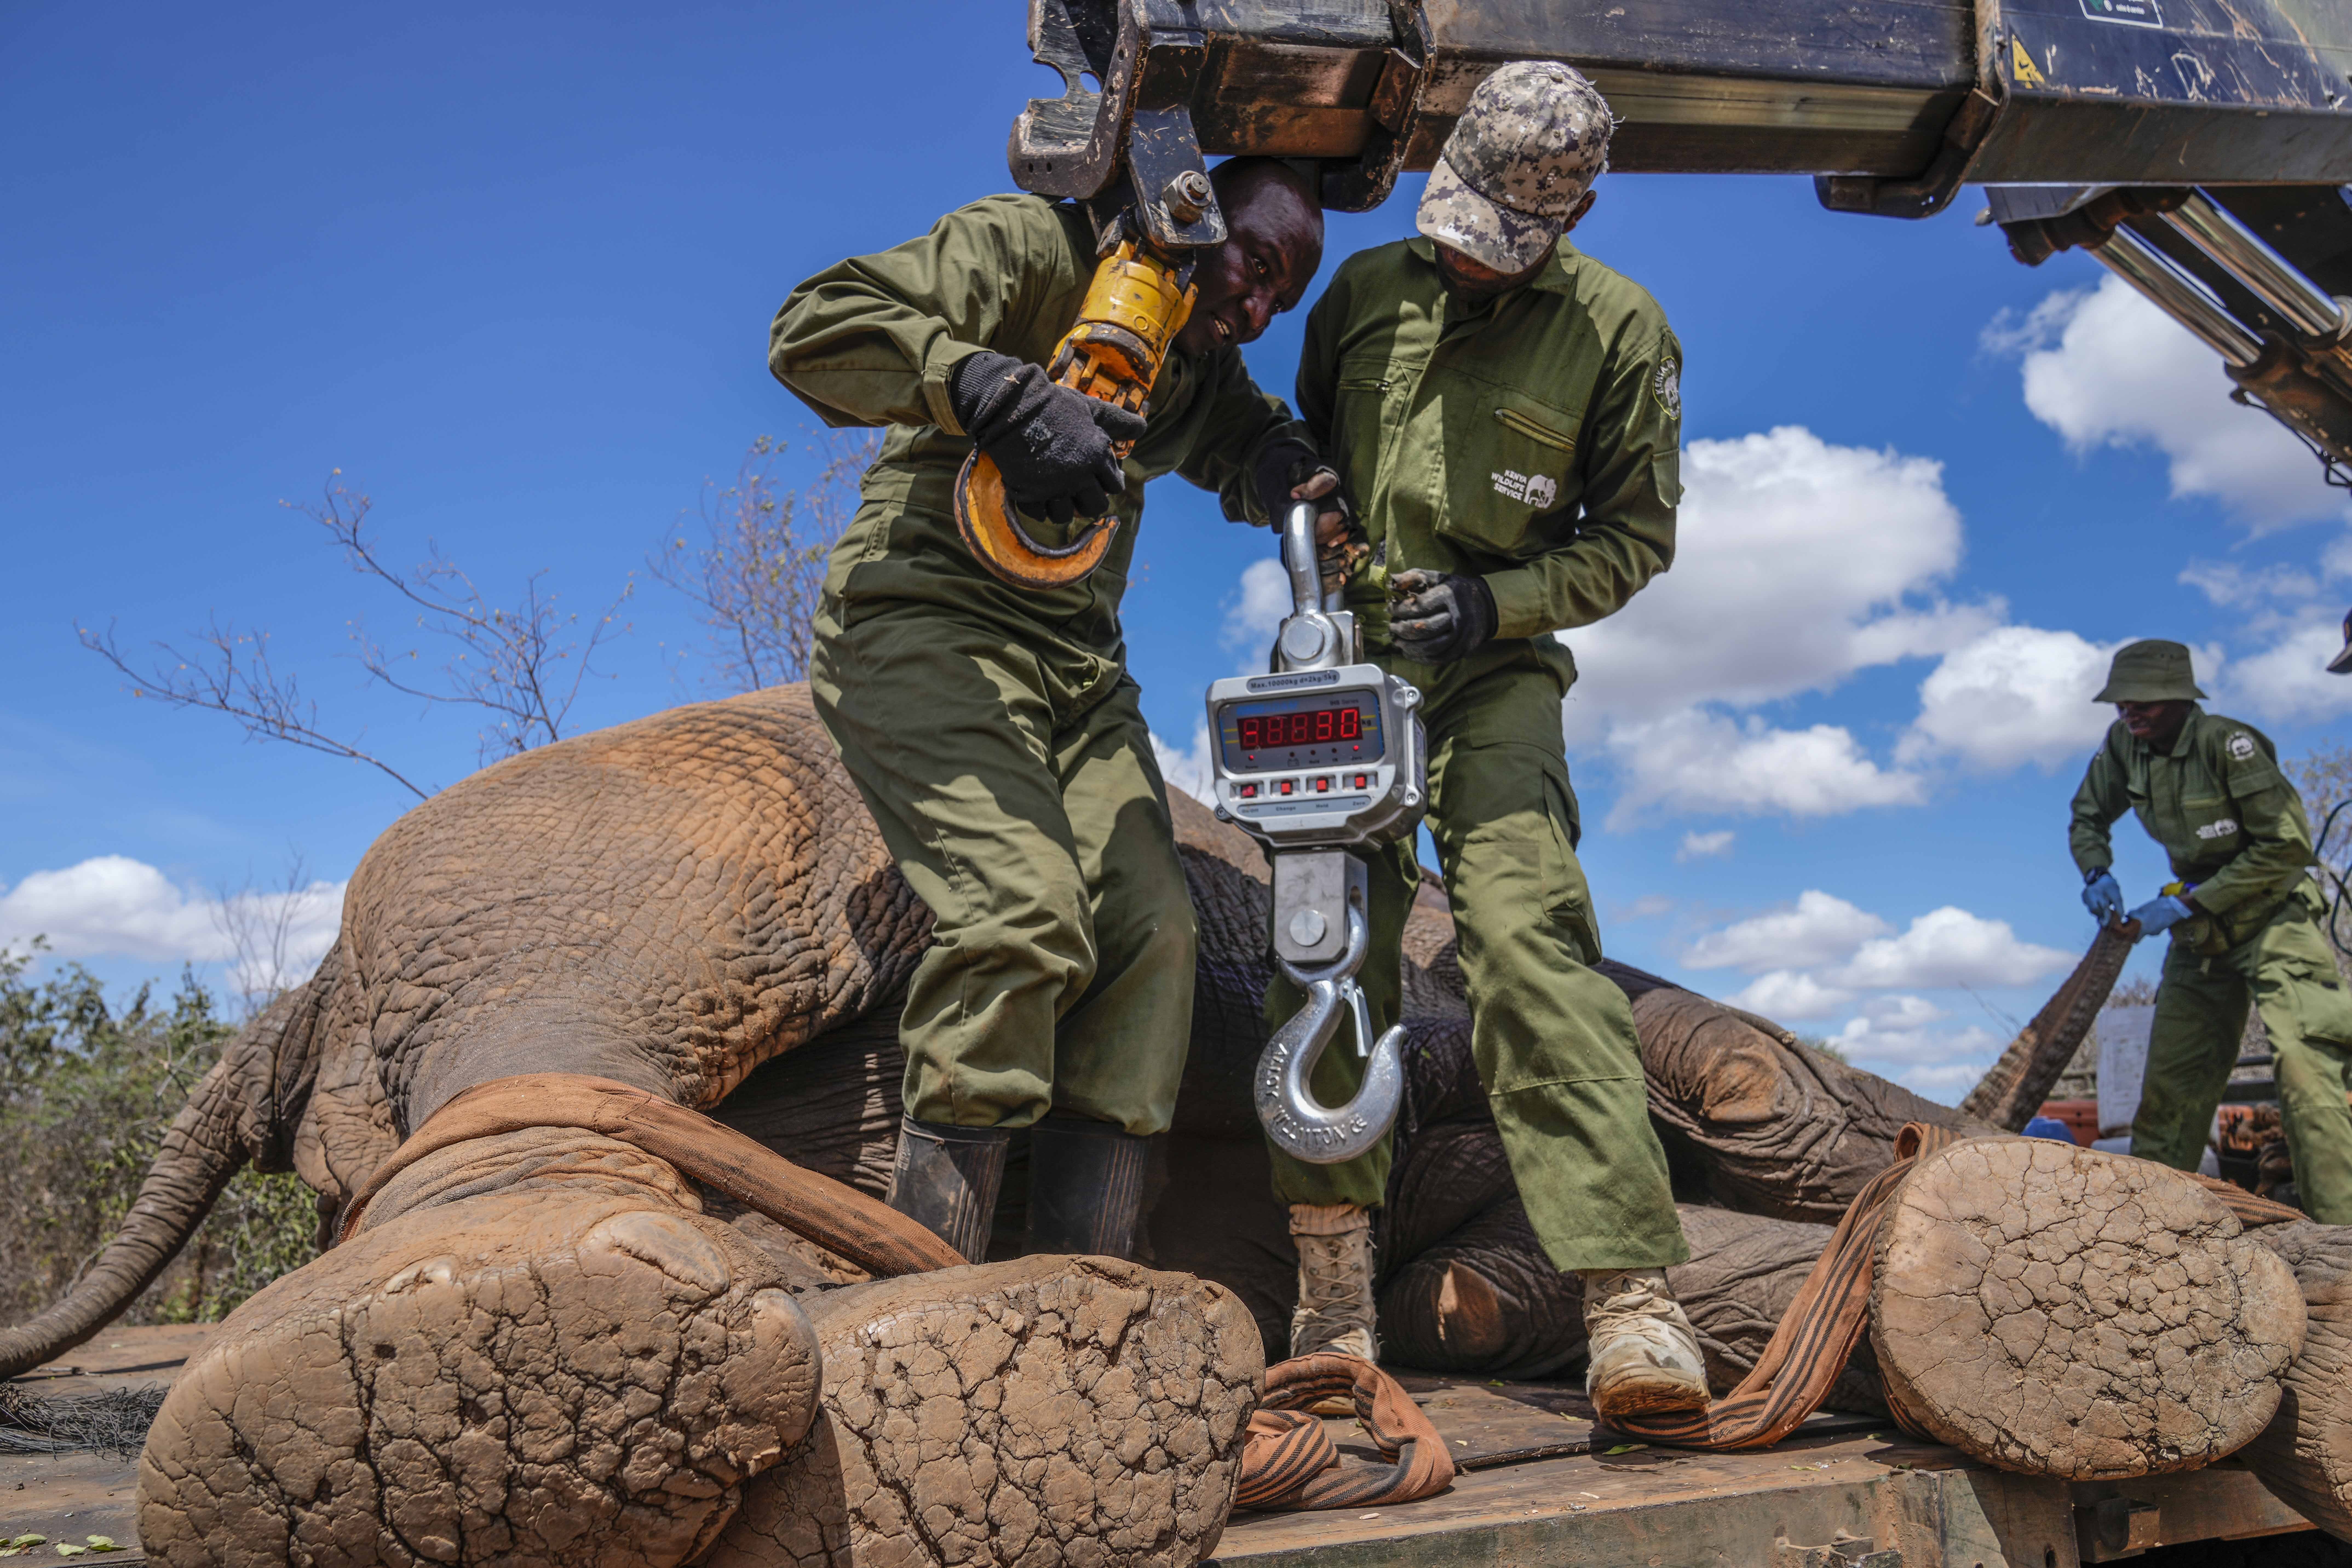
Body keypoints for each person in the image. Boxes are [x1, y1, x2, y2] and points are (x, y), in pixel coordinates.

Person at [767, 159, 1341, 1267]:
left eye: (1284, 299)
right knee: (1021, 916)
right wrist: (986, 389)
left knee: (1154, 938)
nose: (1257, 310)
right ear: (1191, 212)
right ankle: (921, 1303)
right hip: (926, 623)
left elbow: (1232, 431)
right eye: (1254, 267)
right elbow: (815, 323)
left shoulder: (1195, 353)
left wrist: (1279, 466)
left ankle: (1085, 1292)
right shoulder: (1031, 250)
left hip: (1076, 665)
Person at [1264, 61, 1704, 1419]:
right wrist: (1313, 516)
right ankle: (1332, 1295)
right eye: (1453, 230)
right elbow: (1306, 446)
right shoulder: (1359, 296)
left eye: (1502, 248)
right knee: (1323, 943)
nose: (1466, 264)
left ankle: (1629, 1300)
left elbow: (1635, 539)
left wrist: (1500, 600)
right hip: (1348, 663)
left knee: (1526, 940)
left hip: (1495, 673)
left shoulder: (1621, 334)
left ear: (1565, 221)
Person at [2071, 638, 2352, 1221]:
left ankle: (2341, 1241)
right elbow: (2087, 814)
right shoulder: (2124, 748)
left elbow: (2287, 846)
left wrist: (2189, 903)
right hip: (2201, 938)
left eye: (2143, 701)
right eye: (2121, 703)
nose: (2129, 712)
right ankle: (2149, 1236)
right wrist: (2096, 868)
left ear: (2179, 698)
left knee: (2307, 1079)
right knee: (2170, 1088)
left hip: (2271, 915)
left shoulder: (2227, 743)